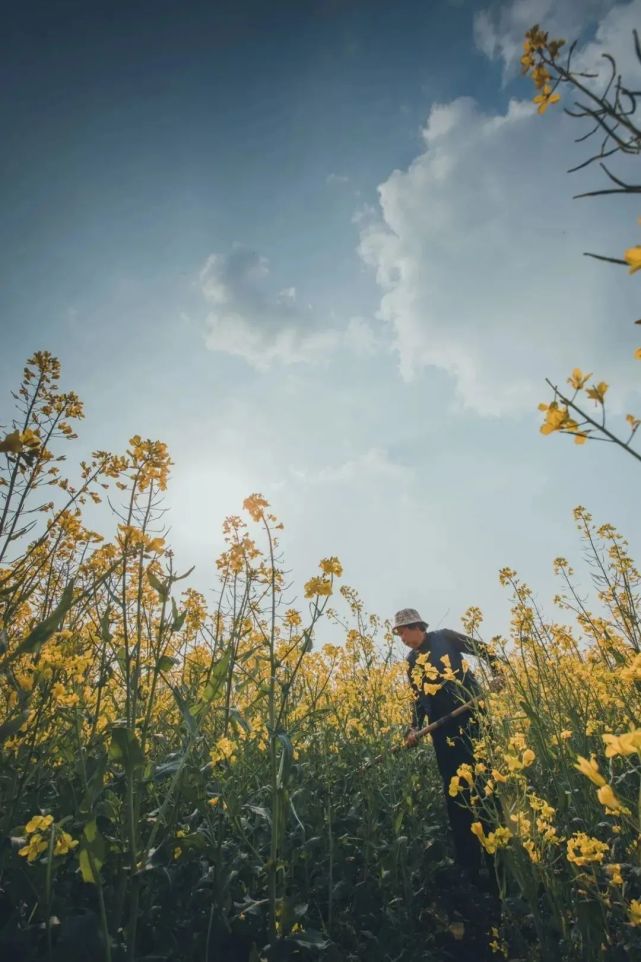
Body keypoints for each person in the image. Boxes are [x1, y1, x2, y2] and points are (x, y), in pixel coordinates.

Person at [393, 607, 503, 885]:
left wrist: (497, 673)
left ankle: (498, 857)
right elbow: (418, 699)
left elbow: (484, 649)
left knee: (483, 784)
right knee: (456, 794)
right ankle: (469, 862)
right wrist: (414, 728)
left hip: (472, 718)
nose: (402, 637)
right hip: (441, 732)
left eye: (403, 631)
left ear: (417, 626)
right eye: (399, 634)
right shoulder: (411, 661)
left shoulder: (446, 637)